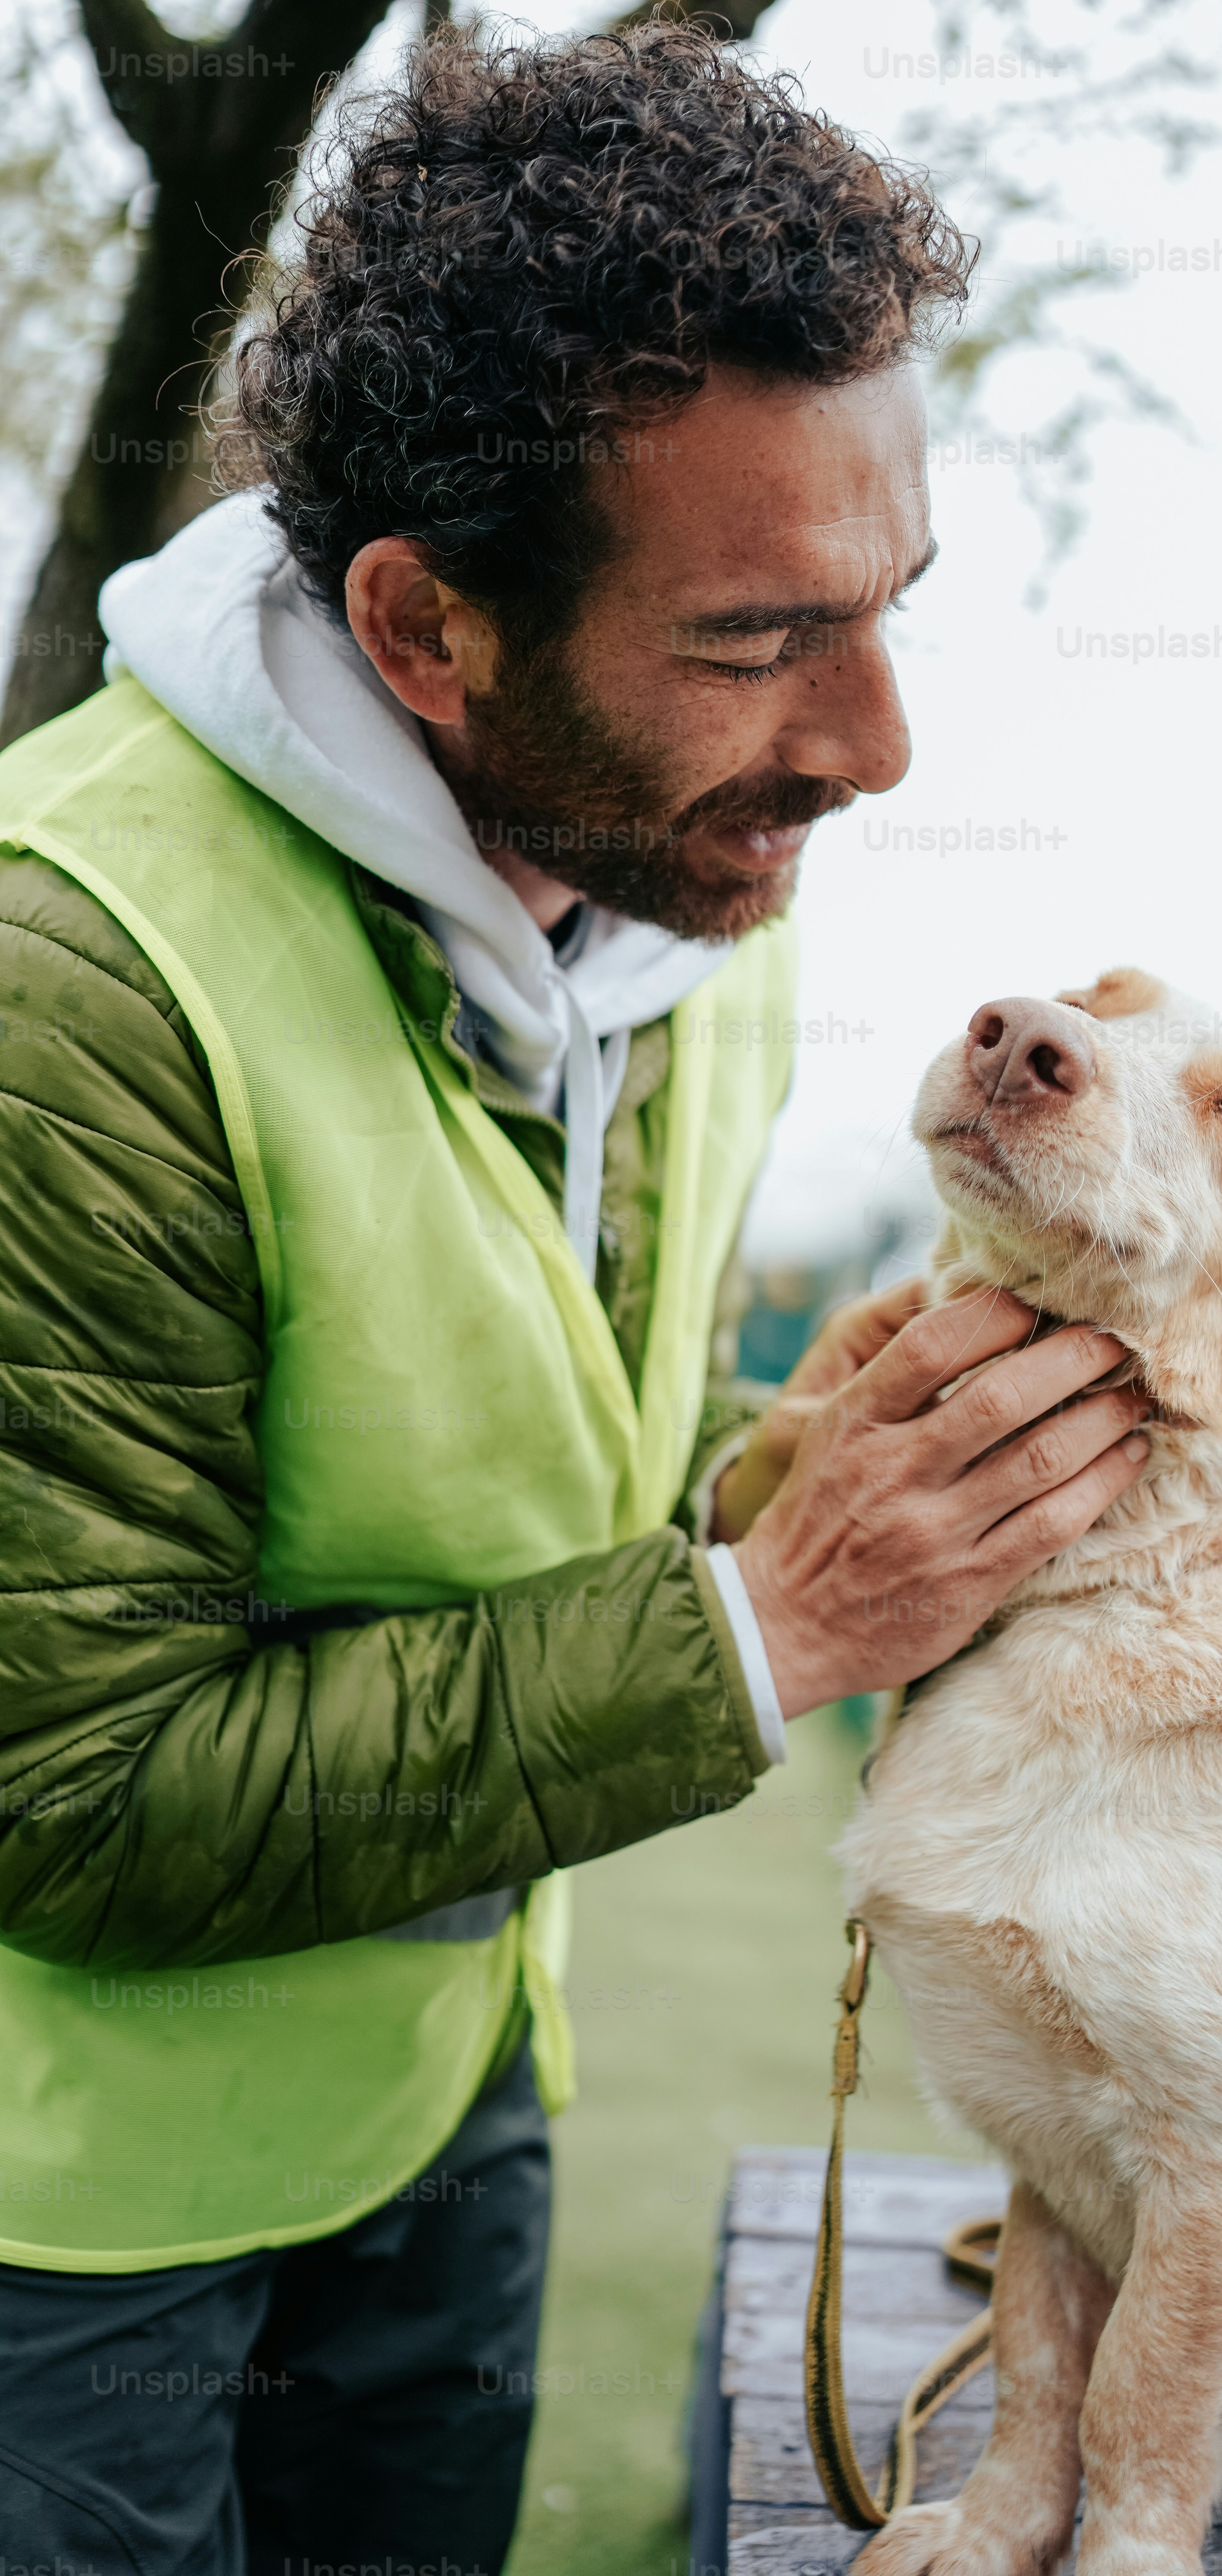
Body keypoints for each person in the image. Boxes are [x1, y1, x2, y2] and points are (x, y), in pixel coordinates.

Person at [0, 25, 1147, 2574]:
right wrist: (772, 1619)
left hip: (449, 2091)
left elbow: (514, 1457)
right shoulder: (61, 987)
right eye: (761, 638)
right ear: (425, 624)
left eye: (891, 610)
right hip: (59, 2237)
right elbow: (54, 1788)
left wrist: (874, 1457)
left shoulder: (678, 864)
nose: (873, 742)